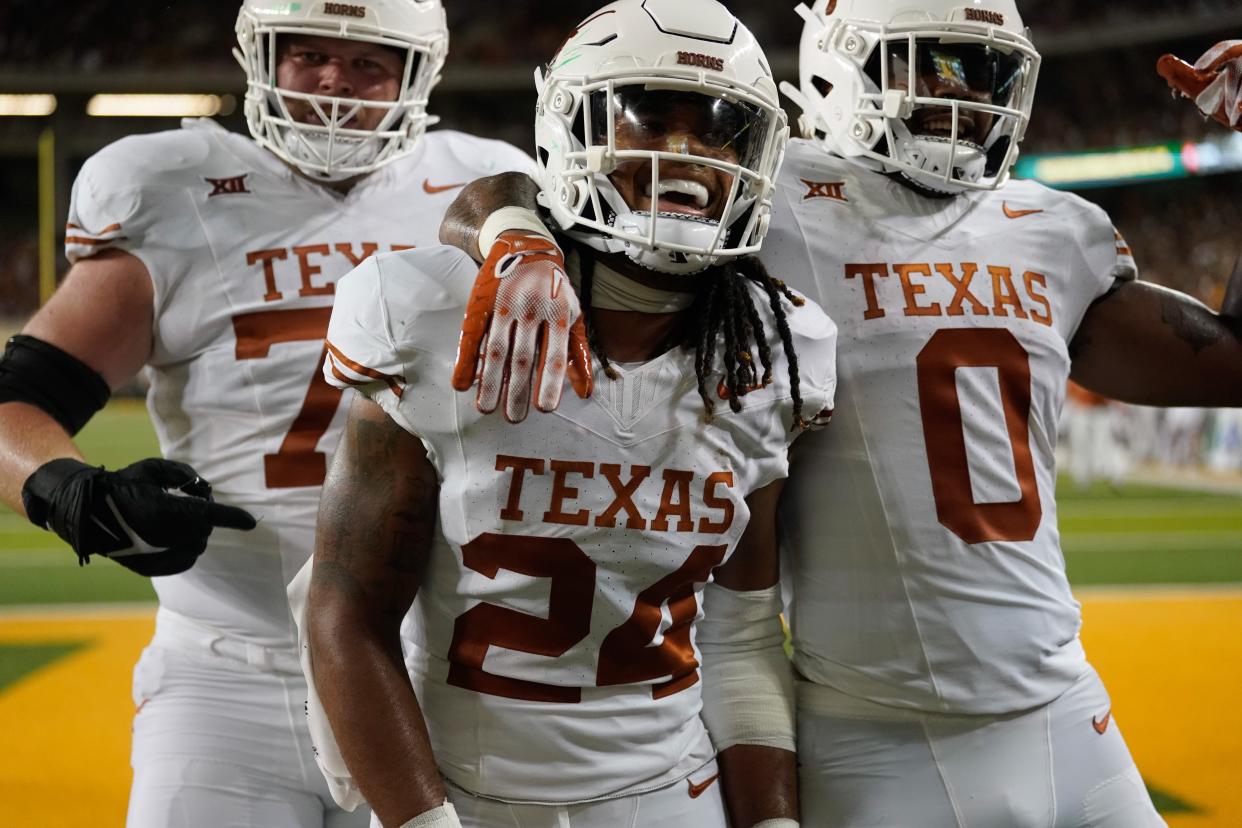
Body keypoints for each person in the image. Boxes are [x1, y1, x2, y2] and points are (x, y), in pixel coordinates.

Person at [441, 2, 1242, 826]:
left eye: (976, 67)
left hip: (1065, 706)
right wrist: (513, 235)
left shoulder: (1055, 230)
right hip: (866, 731)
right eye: (927, 61)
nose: (955, 91)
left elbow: (1232, 362)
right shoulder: (770, 195)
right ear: (839, 62)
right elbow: (535, 185)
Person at [300, 2, 838, 826]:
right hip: (466, 798)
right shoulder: (433, 313)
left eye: (718, 132)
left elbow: (742, 637)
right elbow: (345, 615)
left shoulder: (772, 350)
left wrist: (772, 820)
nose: (686, 157)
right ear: (571, 131)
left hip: (672, 799)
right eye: (651, 121)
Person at [0, 1, 536, 825]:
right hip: (226, 669)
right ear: (261, 57)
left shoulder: (484, 195)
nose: (333, 81)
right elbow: (15, 401)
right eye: (310, 54)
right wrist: (81, 495)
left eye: (366, 63)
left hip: (425, 667)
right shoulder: (170, 189)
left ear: (417, 73)